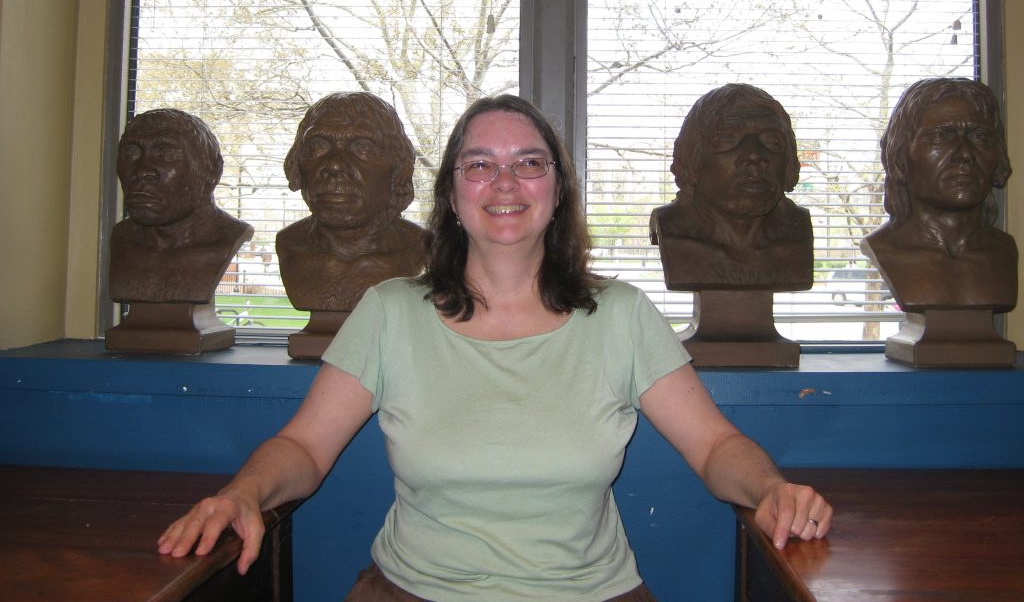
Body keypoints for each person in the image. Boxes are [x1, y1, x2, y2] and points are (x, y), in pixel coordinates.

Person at [158, 95, 831, 601]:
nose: (504, 182)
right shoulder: (390, 312)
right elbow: (304, 448)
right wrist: (243, 493)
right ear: (451, 195)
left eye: (529, 163)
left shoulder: (621, 316)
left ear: (557, 190)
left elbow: (714, 447)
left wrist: (771, 489)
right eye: (479, 164)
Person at [862, 77, 1017, 311]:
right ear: (900, 156)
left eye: (979, 136)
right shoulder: (885, 249)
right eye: (942, 136)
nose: (965, 154)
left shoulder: (1003, 252)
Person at [650, 83, 812, 291]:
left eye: (773, 141)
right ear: (692, 157)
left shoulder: (797, 233)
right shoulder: (674, 233)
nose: (754, 155)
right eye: (727, 139)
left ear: (789, 160)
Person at [277, 92, 428, 313]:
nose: (334, 165)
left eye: (362, 147)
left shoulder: (422, 247)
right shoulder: (289, 245)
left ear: (398, 168)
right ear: (297, 164)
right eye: (317, 145)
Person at [109, 108, 253, 303]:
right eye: (130, 154)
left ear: (212, 170)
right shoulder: (121, 241)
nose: (141, 170)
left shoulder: (227, 239)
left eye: (164, 153)